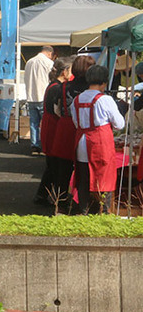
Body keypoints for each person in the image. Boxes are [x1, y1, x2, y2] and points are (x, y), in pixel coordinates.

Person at [71, 64, 125, 214]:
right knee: (103, 178)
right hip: (99, 142)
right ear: (103, 82)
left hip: (81, 141)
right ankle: (103, 211)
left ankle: (83, 209)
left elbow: (76, 123)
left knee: (83, 177)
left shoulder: (77, 99)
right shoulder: (105, 100)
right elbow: (119, 124)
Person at [47, 54, 95, 213]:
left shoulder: (63, 86)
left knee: (63, 168)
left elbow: (56, 108)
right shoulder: (90, 89)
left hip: (64, 126)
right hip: (82, 128)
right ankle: (83, 204)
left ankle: (58, 204)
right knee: (84, 168)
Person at [35, 56, 72, 207]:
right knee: (54, 165)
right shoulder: (57, 87)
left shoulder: (53, 85)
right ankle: (48, 195)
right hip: (53, 126)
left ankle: (43, 194)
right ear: (64, 72)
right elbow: (58, 110)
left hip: (49, 124)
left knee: (52, 165)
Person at [24, 46, 55, 155]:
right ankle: (46, 145)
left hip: (31, 96)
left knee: (33, 123)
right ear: (50, 53)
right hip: (43, 96)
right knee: (45, 123)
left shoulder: (29, 62)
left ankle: (34, 145)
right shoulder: (48, 63)